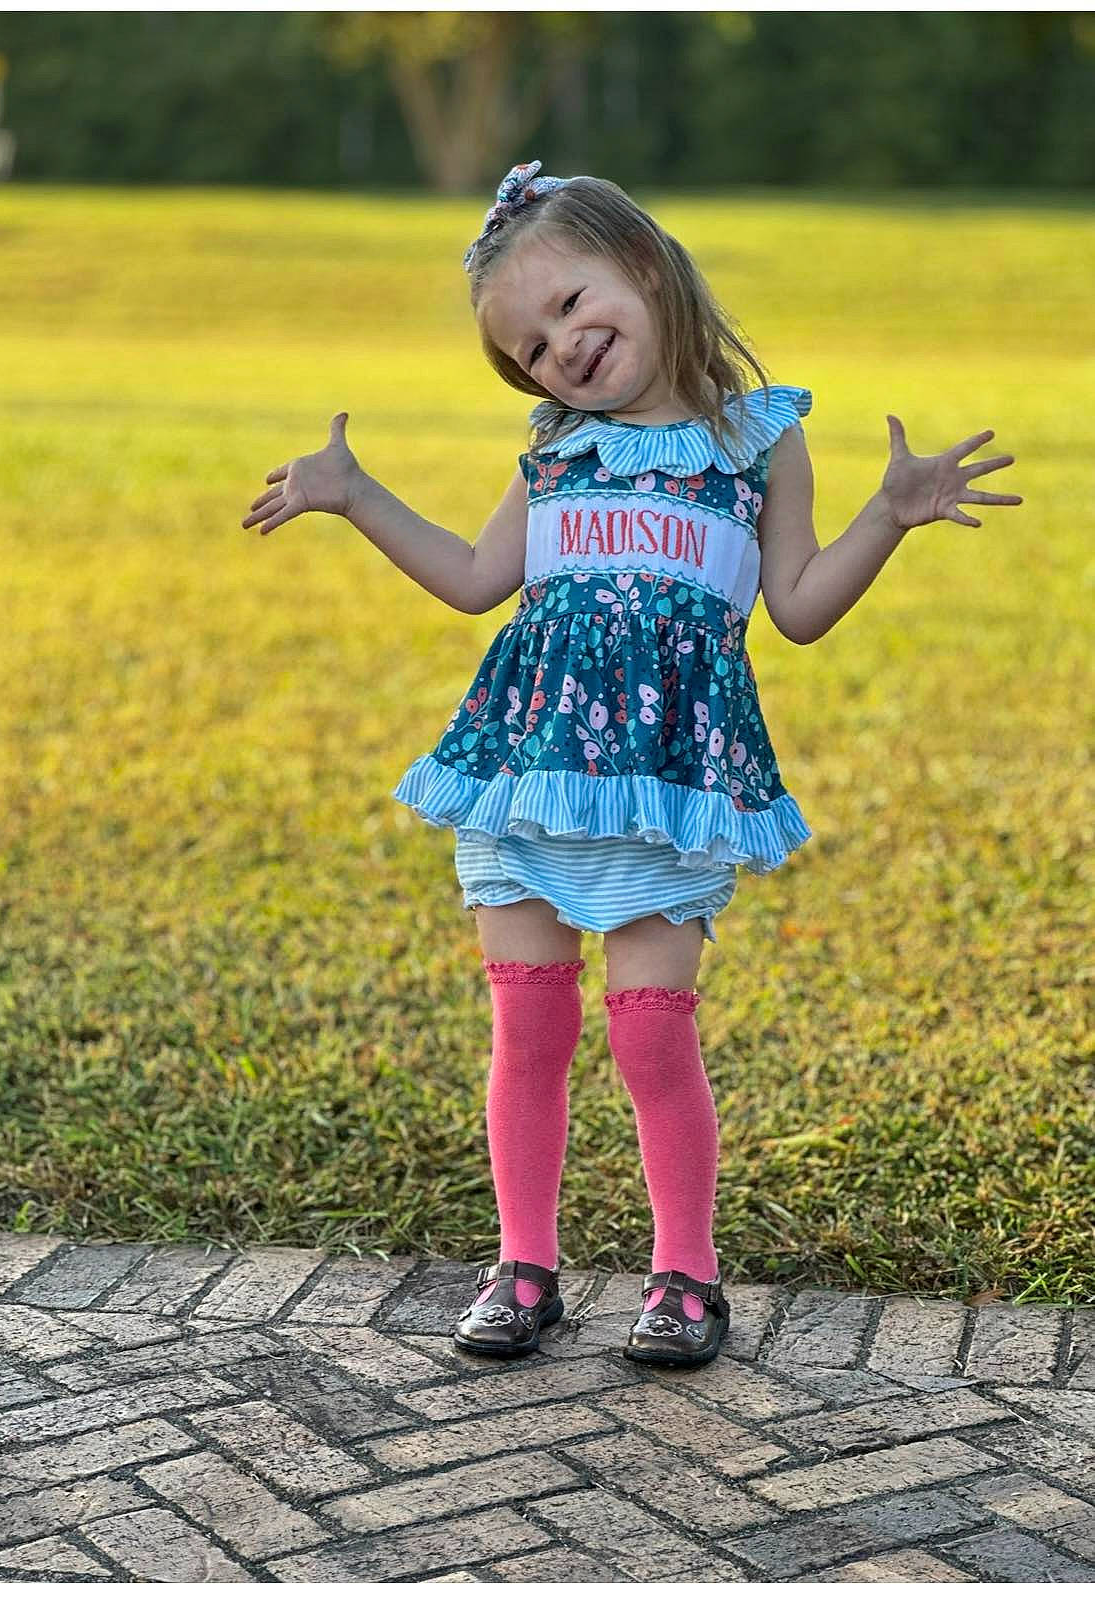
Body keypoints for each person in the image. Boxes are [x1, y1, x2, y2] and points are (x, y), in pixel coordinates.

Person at [241, 160, 1021, 1369]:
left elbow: (802, 608)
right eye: (532, 348)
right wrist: (354, 494)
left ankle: (685, 1277)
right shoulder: (553, 453)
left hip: (665, 782)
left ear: (646, 265)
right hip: (530, 767)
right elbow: (470, 579)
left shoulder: (755, 440)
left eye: (569, 305)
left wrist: (889, 516)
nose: (560, 349)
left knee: (653, 1035)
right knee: (529, 1032)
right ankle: (524, 1263)